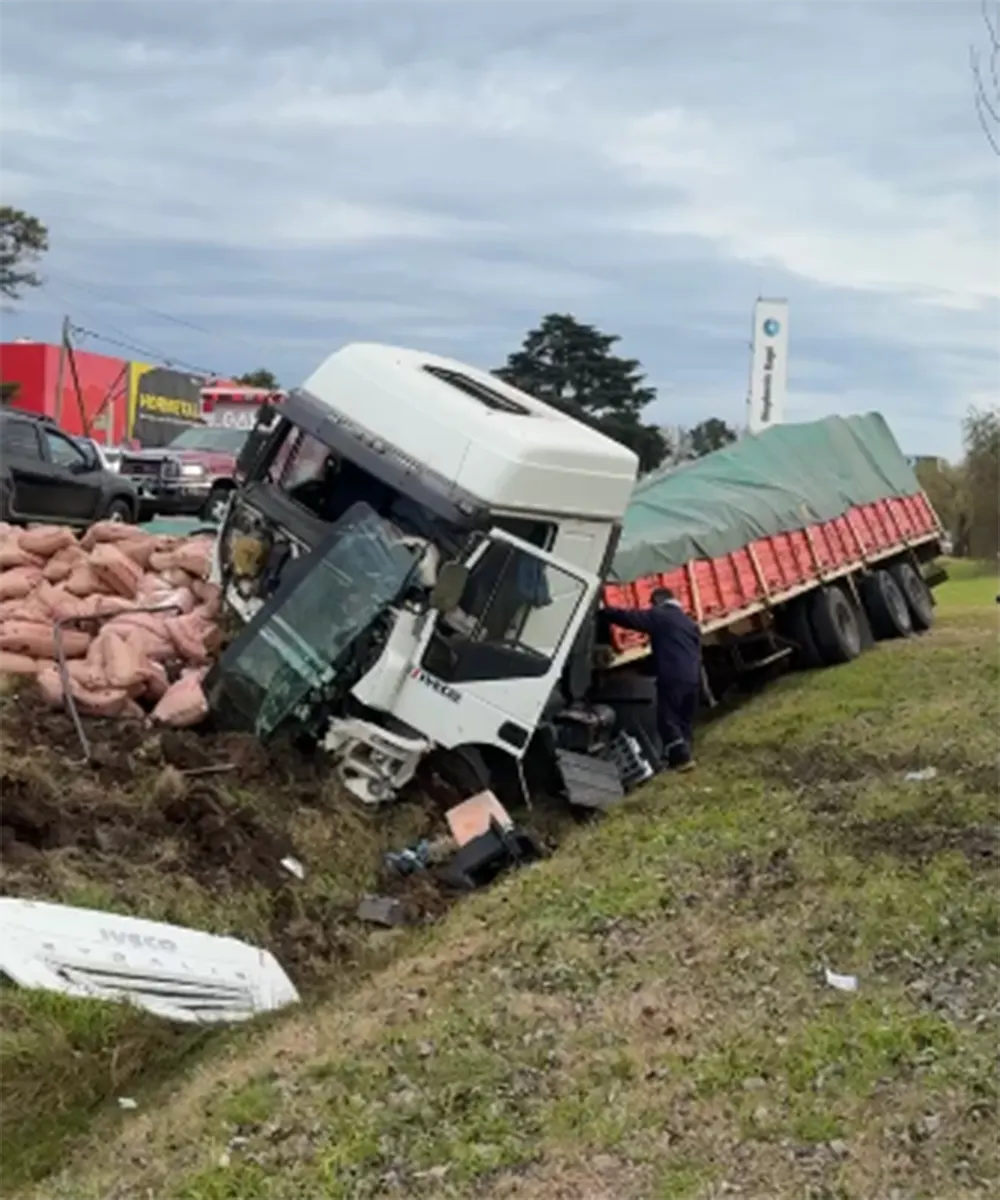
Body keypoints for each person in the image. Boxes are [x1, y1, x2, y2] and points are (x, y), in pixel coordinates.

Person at [602, 587, 702, 771]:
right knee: (683, 720)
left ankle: (682, 759)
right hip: (693, 676)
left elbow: (632, 618)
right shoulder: (688, 622)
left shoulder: (661, 615)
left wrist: (604, 611)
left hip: (672, 676)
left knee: (667, 719)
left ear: (657, 601)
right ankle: (682, 755)